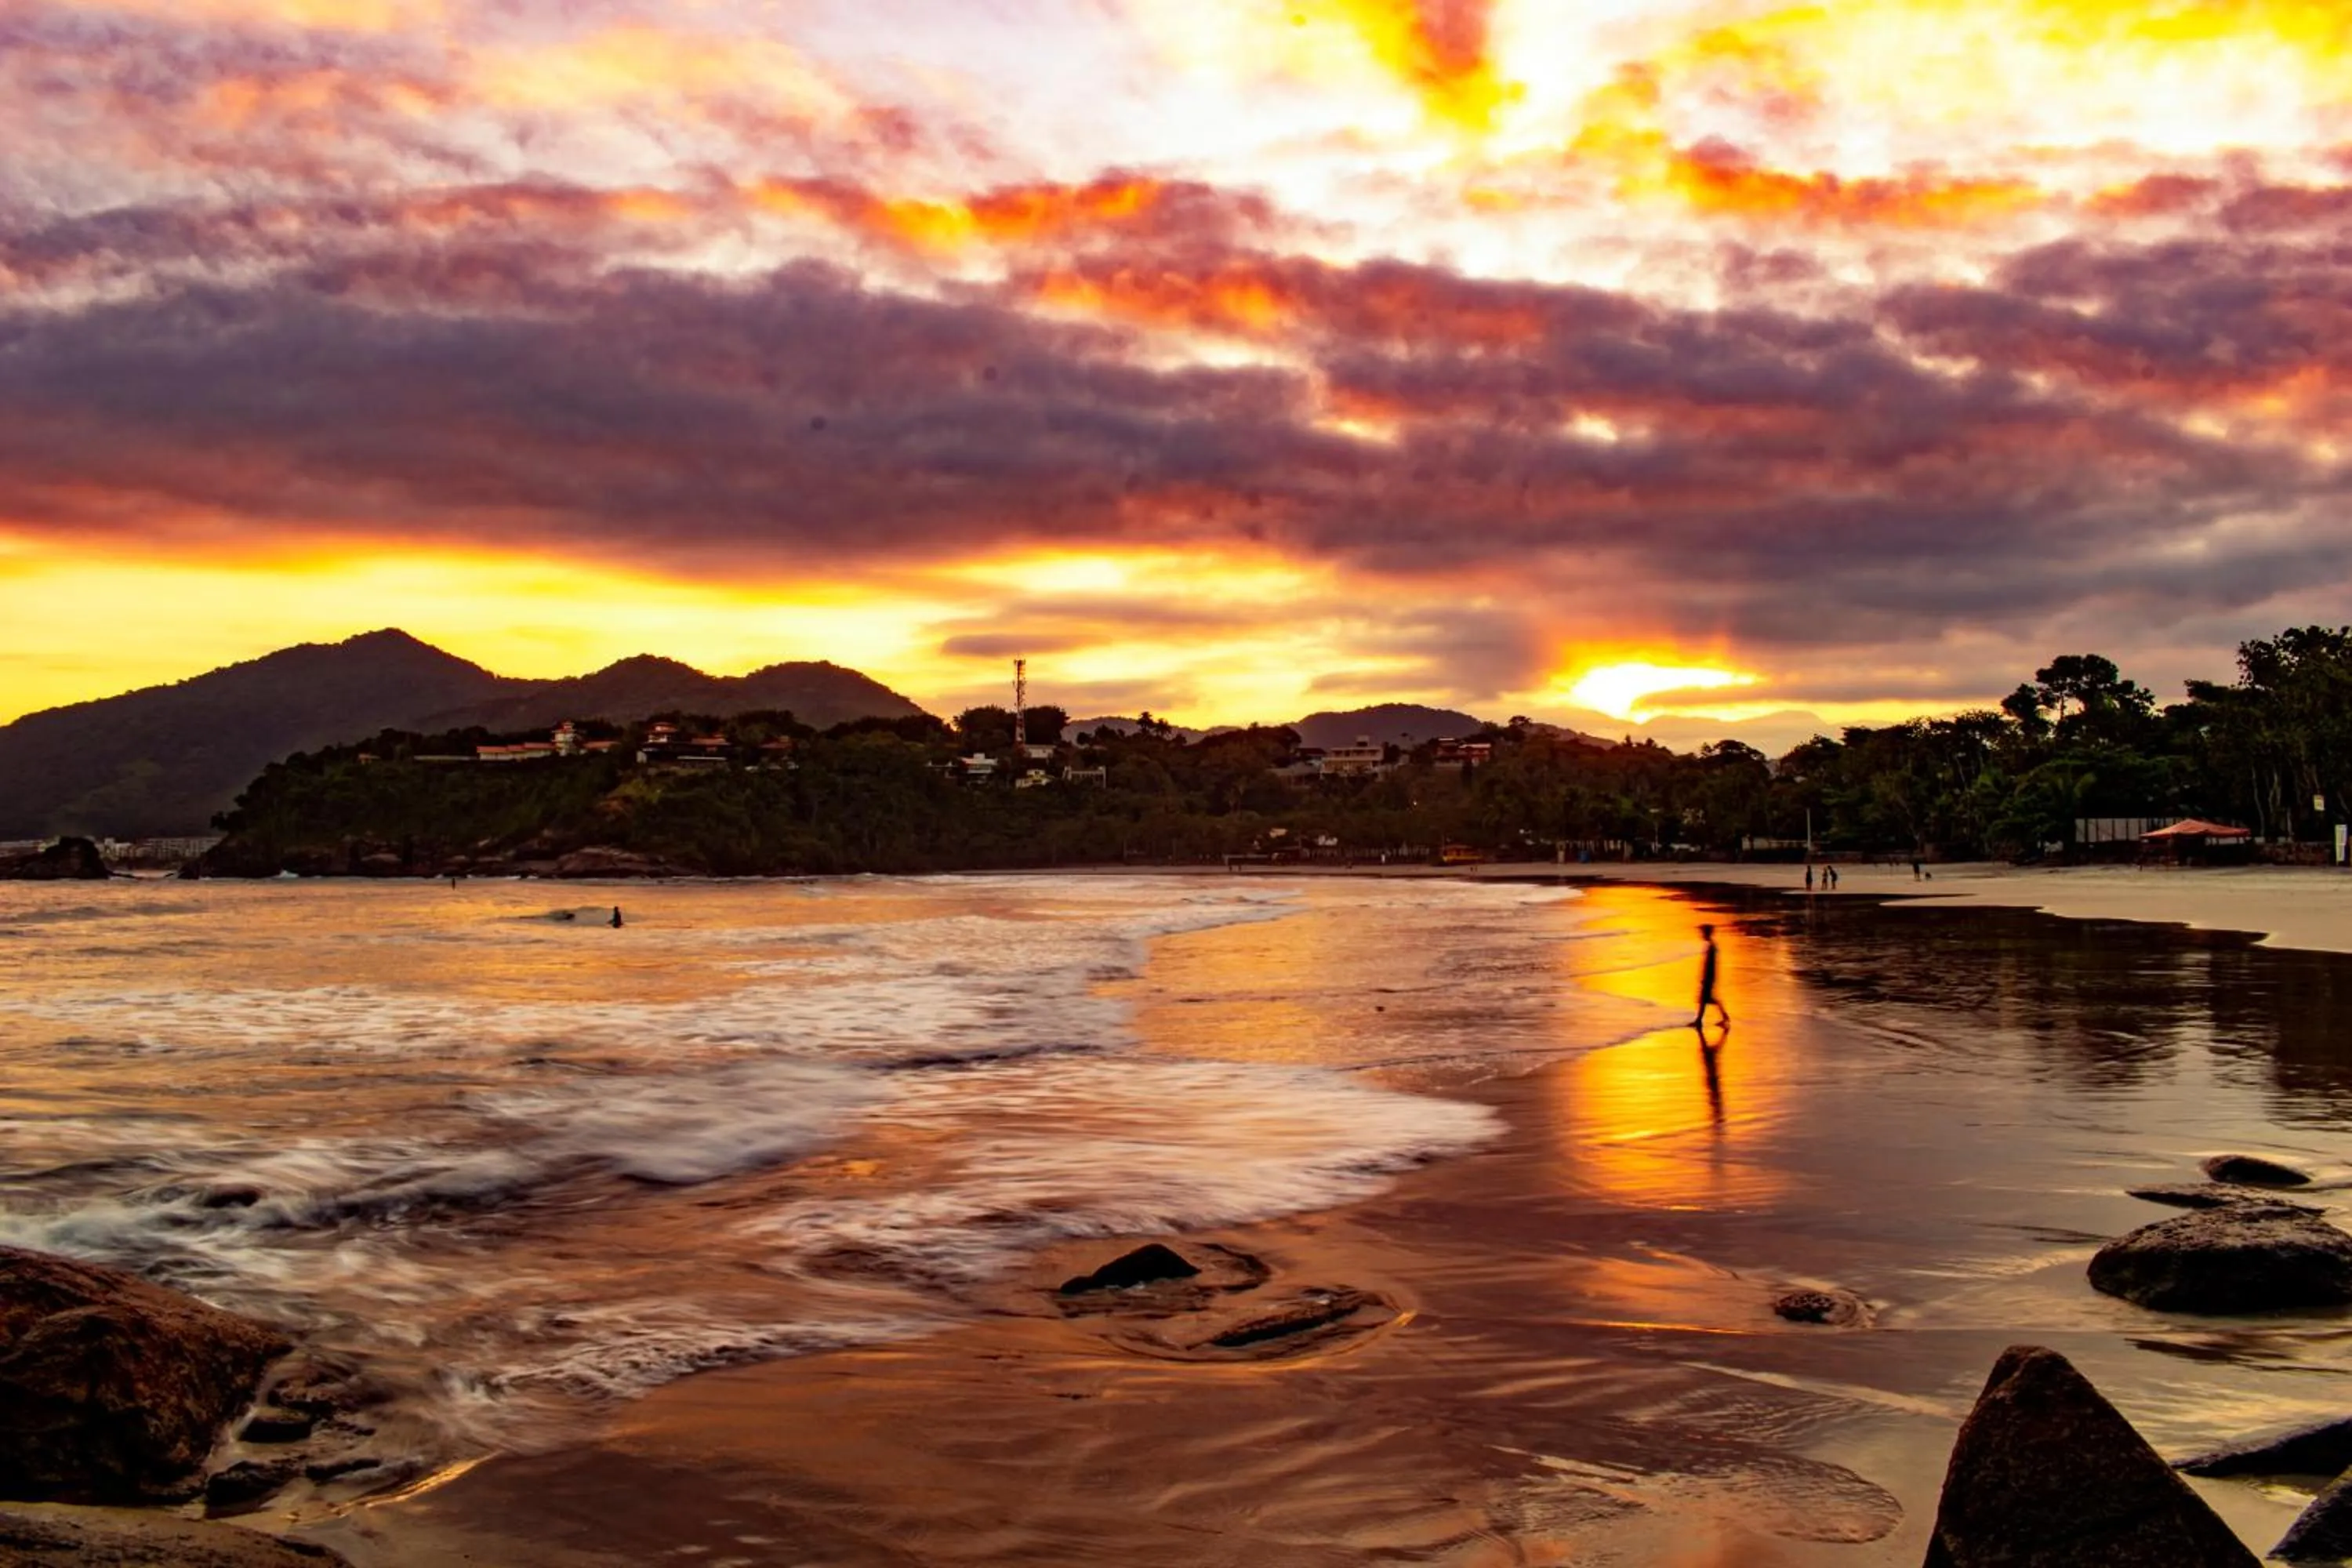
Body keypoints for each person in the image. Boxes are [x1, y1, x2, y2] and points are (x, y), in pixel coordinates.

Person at [1693, 924, 1729, 1029]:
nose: (1701, 935)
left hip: (1709, 977)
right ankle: (1700, 1020)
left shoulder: (1711, 947)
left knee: (1705, 999)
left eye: (1702, 933)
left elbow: (1710, 965)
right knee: (1707, 999)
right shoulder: (1711, 946)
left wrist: (1706, 978)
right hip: (1710, 977)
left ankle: (1699, 1021)